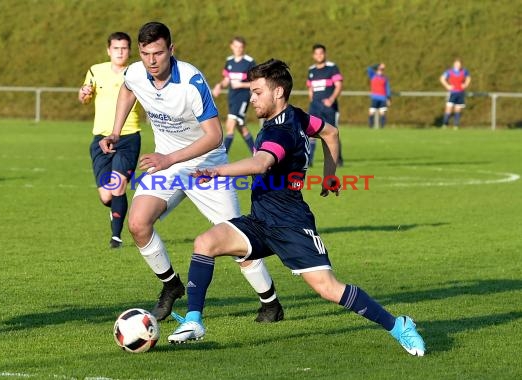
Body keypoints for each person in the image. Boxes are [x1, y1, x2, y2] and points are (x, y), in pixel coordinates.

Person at [167, 59, 426, 357]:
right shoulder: (298, 117)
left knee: (328, 288)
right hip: (261, 220)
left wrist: (217, 172)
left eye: (257, 92)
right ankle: (194, 321)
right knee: (205, 242)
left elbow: (261, 162)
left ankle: (399, 325)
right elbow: (331, 132)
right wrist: (329, 177)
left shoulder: (281, 131)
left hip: (291, 224)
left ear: (278, 92)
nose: (251, 98)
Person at [99, 22, 283, 322]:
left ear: (171, 50)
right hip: (167, 165)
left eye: (158, 53)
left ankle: (271, 303)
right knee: (137, 223)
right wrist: (116, 132)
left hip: (207, 167)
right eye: (145, 53)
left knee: (237, 239)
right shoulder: (134, 72)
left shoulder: (191, 80)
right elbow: (127, 90)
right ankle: (171, 286)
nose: (152, 60)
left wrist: (169, 159)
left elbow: (214, 135)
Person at [78, 32, 142, 249]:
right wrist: (84, 93)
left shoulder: (137, 72)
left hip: (128, 137)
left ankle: (116, 237)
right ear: (109, 50)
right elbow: (84, 98)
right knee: (107, 196)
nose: (120, 52)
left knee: (118, 186)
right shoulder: (96, 71)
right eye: (116, 48)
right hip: (100, 139)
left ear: (129, 50)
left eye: (124, 48)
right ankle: (116, 212)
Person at [212, 36, 256, 154]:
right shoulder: (229, 61)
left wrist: (241, 85)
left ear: (244, 48)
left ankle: (222, 157)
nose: (238, 49)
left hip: (243, 98)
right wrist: (219, 86)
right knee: (241, 128)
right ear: (231, 46)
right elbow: (226, 80)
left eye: (240, 47)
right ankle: (257, 153)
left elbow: (256, 83)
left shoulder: (249, 62)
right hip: (232, 97)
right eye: (236, 46)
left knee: (230, 125)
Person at [306, 44, 343, 167]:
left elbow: (338, 85)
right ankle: (309, 160)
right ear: (313, 55)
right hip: (315, 106)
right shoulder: (311, 70)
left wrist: (331, 99)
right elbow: (310, 88)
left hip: (328, 107)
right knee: (310, 132)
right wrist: (311, 99)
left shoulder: (332, 68)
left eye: (321, 53)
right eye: (316, 53)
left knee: (332, 133)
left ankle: (337, 159)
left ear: (325, 54)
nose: (319, 55)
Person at [440, 58, 471, 130]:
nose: (458, 65)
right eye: (456, 64)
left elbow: (468, 78)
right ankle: (445, 124)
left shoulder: (464, 71)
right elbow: (442, 78)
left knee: (458, 109)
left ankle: (456, 125)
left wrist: (465, 84)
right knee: (449, 108)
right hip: (452, 93)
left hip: (460, 93)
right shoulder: (449, 71)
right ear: (454, 64)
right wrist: (447, 86)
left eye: (459, 64)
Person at [367, 63, 391, 128]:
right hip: (375, 97)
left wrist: (388, 98)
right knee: (372, 111)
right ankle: (370, 125)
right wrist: (378, 65)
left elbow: (387, 88)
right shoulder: (373, 76)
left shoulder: (385, 78)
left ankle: (382, 127)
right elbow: (368, 68)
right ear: (377, 69)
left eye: (382, 69)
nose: (381, 71)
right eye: (380, 69)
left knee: (382, 112)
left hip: (383, 98)